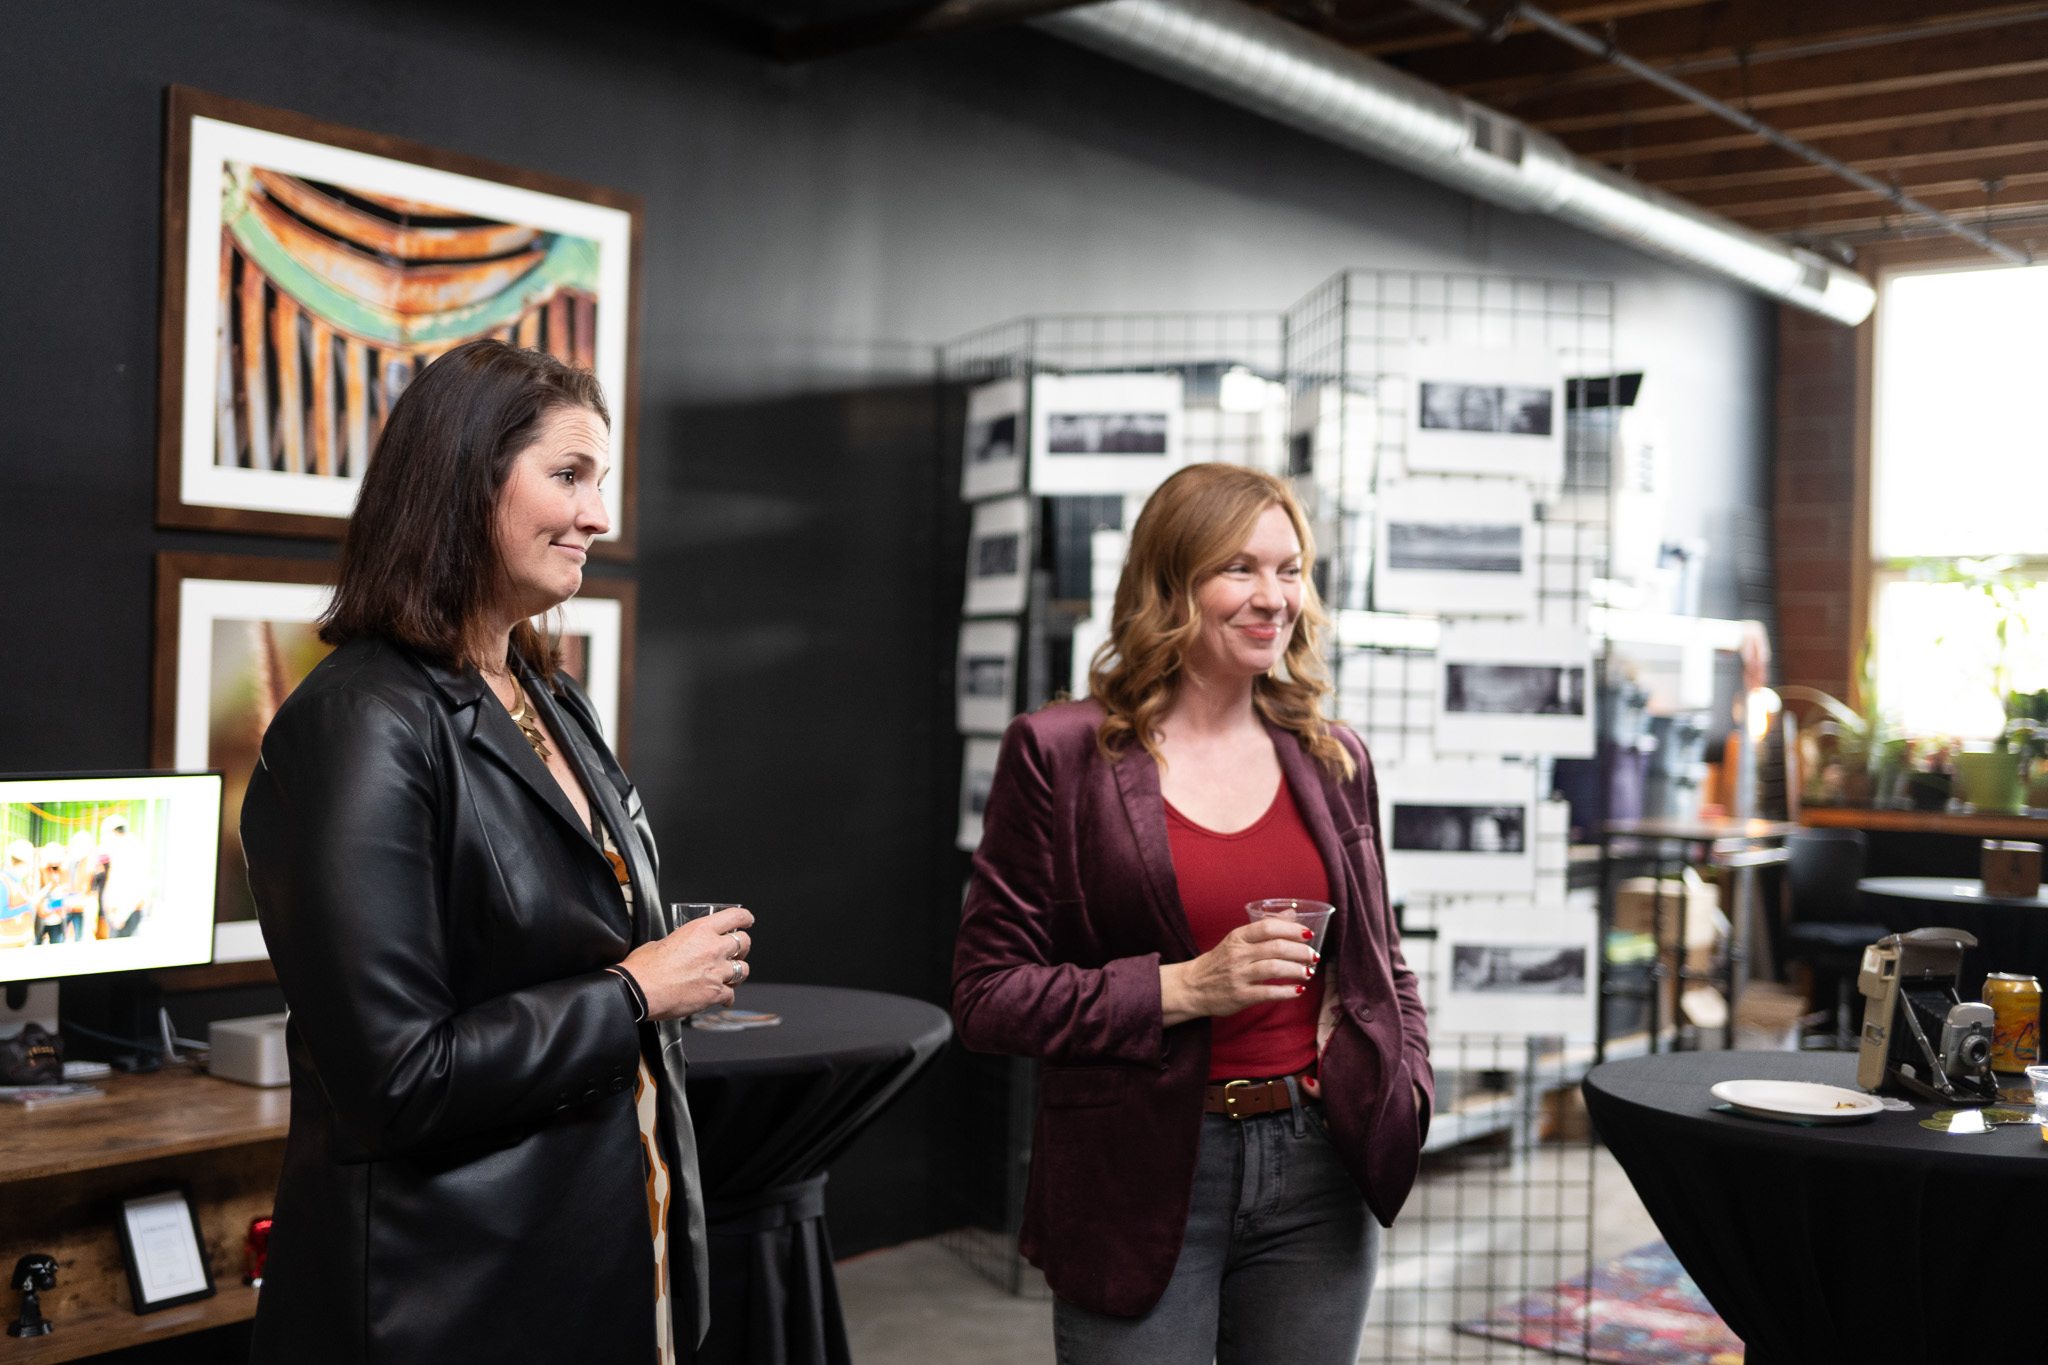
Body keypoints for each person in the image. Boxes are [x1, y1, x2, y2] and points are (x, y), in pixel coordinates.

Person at [241, 339, 754, 1365]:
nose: (598, 516)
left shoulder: (546, 692)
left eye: (600, 481)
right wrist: (634, 992)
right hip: (452, 1304)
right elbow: (398, 1078)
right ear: (463, 480)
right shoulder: (360, 723)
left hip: (602, 1266)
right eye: (568, 475)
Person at [953, 462, 1433, 1365]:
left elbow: (1386, 965)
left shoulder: (1332, 757)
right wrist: (1186, 987)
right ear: (1169, 584)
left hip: (1318, 1167)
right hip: (1137, 1168)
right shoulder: (1060, 753)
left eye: (1290, 570)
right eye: (1238, 568)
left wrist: (1402, 1085)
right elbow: (987, 996)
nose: (1273, 597)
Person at [0, 843, 38, 950]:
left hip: (20, 942)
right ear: (14, 863)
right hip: (9, 943)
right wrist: (27, 907)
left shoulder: (16, 882)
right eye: (24, 865)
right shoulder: (3, 882)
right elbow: (1, 913)